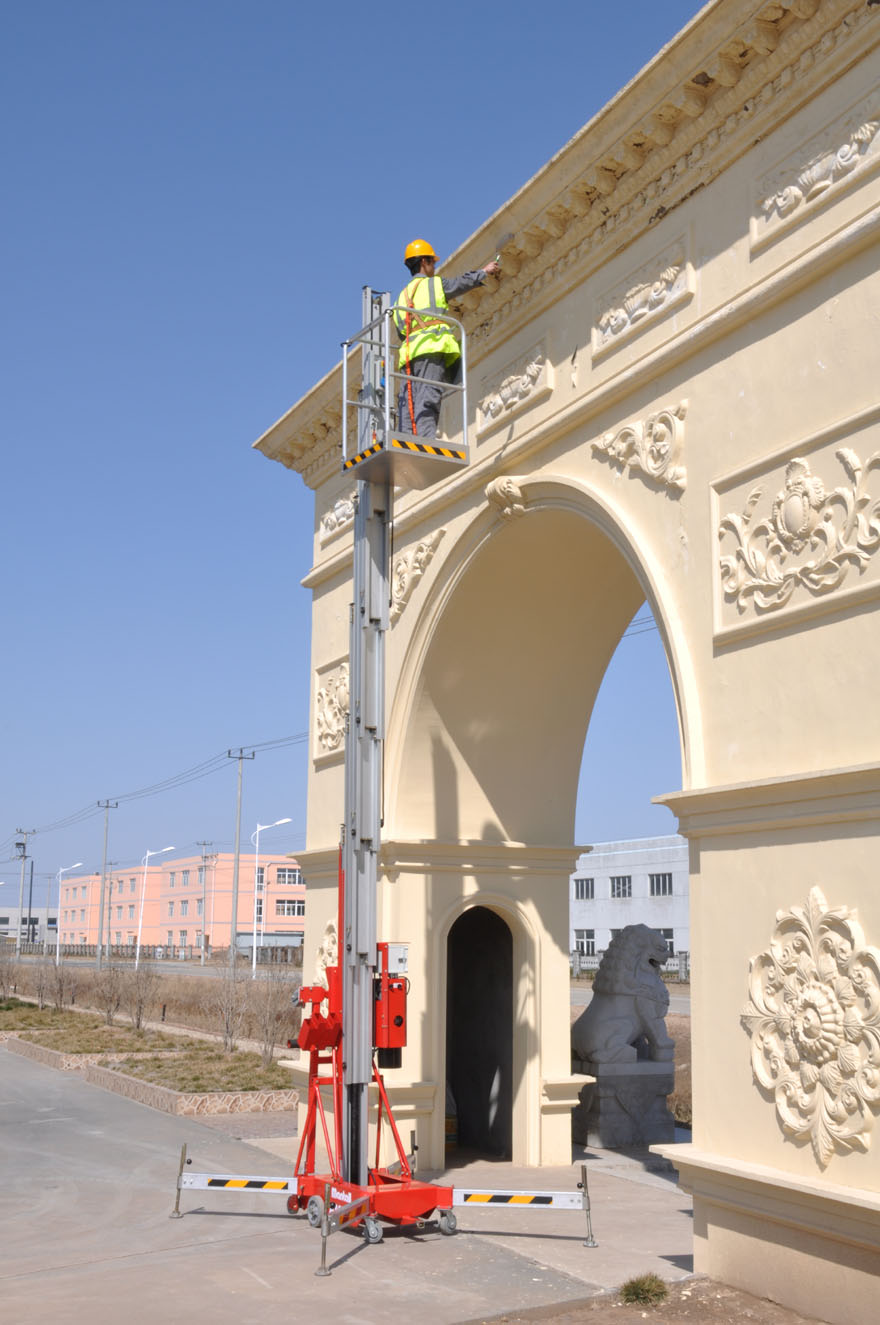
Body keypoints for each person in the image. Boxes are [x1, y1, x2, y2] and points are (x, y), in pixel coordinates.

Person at [393, 239, 500, 439]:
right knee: (427, 396)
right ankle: (425, 442)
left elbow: (400, 330)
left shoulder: (401, 296)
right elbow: (459, 284)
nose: (434, 266)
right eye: (432, 262)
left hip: (408, 355)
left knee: (408, 401)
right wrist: (484, 272)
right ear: (424, 262)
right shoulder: (434, 284)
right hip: (431, 347)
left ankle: (406, 441)